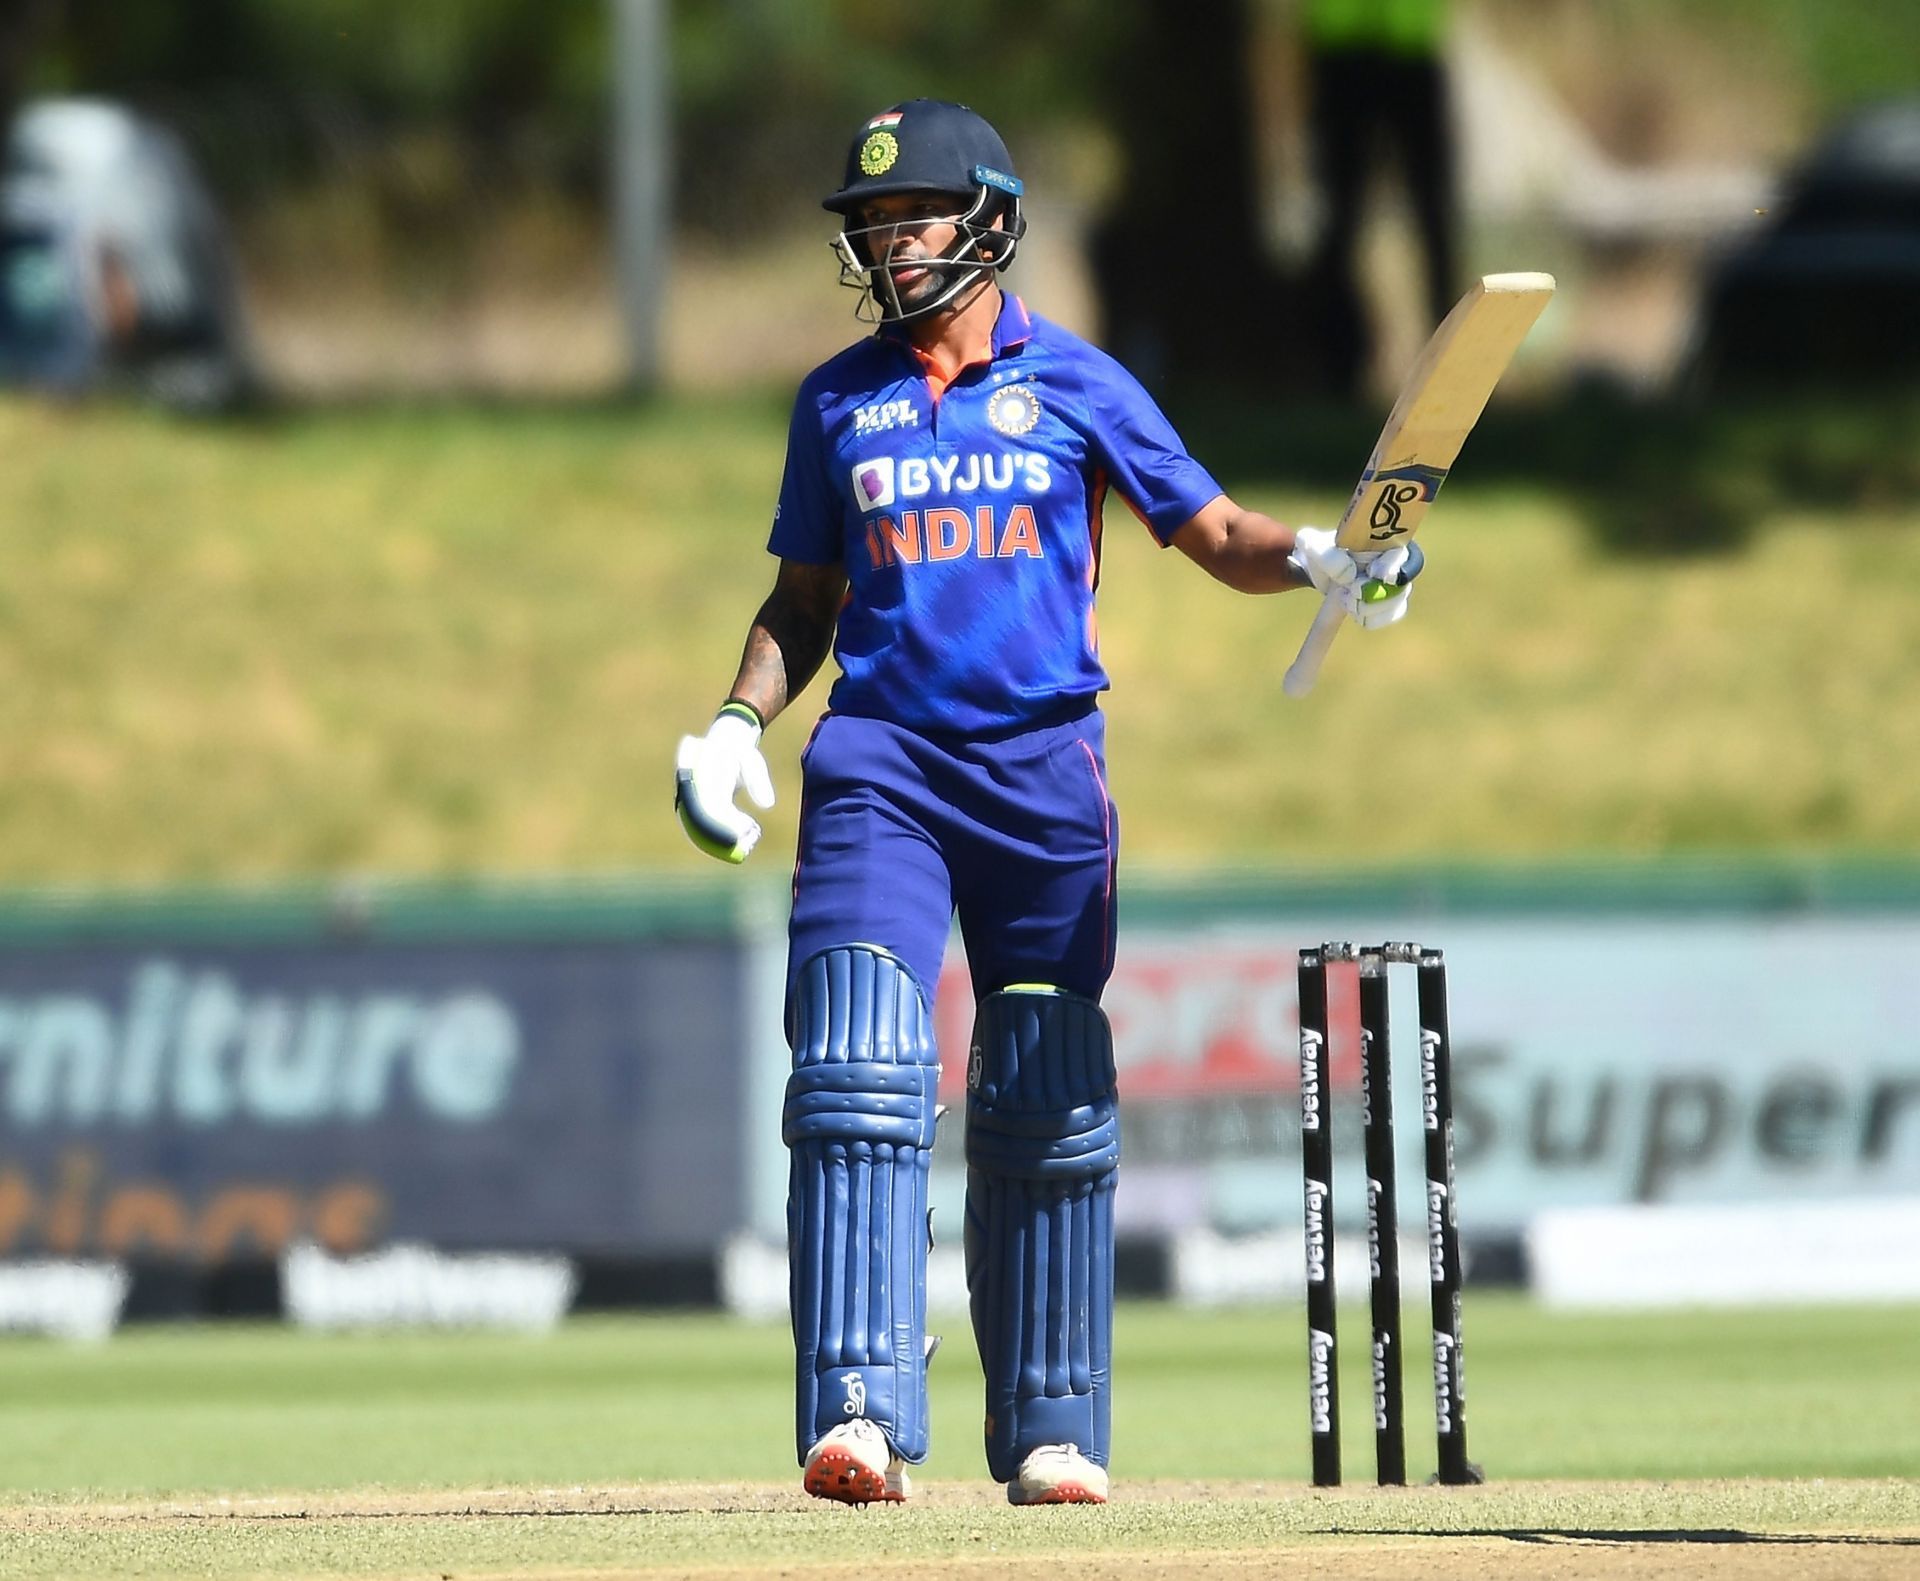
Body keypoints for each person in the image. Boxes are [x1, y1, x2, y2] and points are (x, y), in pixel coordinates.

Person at [674, 98, 1421, 1507]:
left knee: (1045, 1096)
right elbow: (804, 598)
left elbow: (1211, 532)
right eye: (873, 227)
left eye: (916, 220)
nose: (893, 248)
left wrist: (1323, 557)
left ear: (993, 223)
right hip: (881, 761)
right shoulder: (837, 400)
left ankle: (1052, 1430)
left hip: (1041, 772)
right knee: (854, 1067)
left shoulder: (1079, 384)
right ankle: (859, 1412)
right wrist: (732, 717)